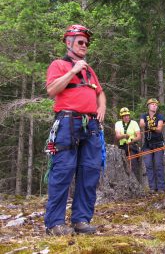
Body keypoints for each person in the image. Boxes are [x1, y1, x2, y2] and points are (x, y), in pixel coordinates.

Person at [44, 24, 106, 235]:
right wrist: (72, 70)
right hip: (68, 122)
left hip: (91, 125)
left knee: (90, 171)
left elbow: (100, 93)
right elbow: (52, 90)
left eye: (87, 43)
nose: (85, 46)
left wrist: (102, 108)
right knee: (63, 171)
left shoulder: (90, 71)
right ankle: (54, 224)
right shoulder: (58, 64)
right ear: (68, 43)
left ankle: (81, 220)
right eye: (81, 42)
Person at [139, 98, 165, 193]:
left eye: (156, 104)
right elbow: (141, 124)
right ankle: (152, 187)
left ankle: (161, 187)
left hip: (158, 143)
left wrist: (150, 126)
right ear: (148, 106)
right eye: (152, 104)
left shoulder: (160, 116)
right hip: (147, 144)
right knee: (149, 165)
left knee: (158, 164)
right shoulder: (144, 115)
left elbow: (159, 129)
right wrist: (150, 125)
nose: (154, 105)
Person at [115, 107, 142, 182]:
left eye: (127, 115)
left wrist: (133, 140)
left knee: (133, 164)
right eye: (124, 116)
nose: (126, 117)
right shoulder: (118, 124)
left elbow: (139, 136)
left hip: (132, 146)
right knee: (121, 166)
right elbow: (117, 136)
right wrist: (124, 136)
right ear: (121, 117)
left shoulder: (134, 123)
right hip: (122, 147)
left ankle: (136, 182)